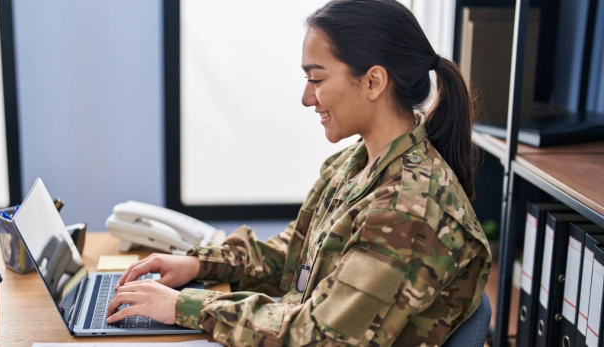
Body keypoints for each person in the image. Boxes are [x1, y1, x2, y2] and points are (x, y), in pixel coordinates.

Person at [106, 0, 492, 345]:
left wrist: (186, 306)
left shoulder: (409, 209)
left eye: (317, 79)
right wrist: (198, 264)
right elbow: (294, 256)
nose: (307, 97)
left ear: (373, 81)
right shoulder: (353, 164)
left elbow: (320, 336)